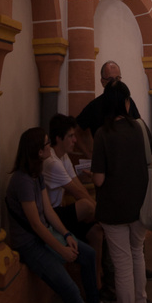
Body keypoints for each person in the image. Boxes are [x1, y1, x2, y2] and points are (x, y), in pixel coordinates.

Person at [5, 126, 141, 303]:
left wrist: (67, 235)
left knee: (87, 254)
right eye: (47, 145)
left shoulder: (36, 175)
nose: (50, 148)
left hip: (43, 235)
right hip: (29, 245)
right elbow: (36, 225)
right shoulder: (22, 181)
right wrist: (61, 250)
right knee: (69, 289)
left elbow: (48, 212)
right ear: (38, 152)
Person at [92, 80, 152, 303]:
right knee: (137, 254)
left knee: (121, 265)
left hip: (113, 209)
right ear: (127, 103)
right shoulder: (141, 128)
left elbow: (98, 179)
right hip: (140, 205)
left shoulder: (103, 134)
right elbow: (151, 162)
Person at [44, 114, 104, 284]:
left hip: (60, 212)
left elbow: (79, 187)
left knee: (97, 232)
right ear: (58, 138)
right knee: (86, 205)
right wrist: (101, 213)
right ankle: (107, 221)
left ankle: (97, 282)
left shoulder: (63, 157)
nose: (75, 140)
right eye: (71, 136)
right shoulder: (53, 162)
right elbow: (78, 194)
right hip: (51, 217)